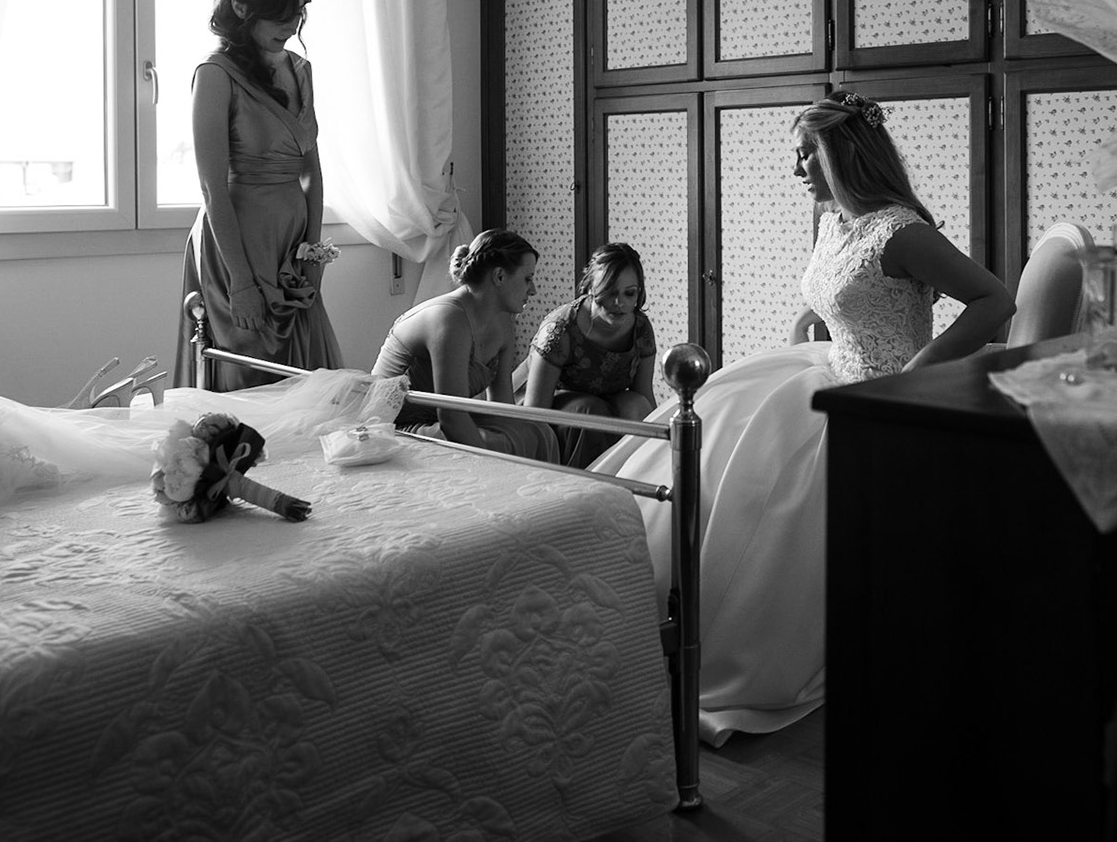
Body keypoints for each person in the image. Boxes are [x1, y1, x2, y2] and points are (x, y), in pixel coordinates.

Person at [588, 89, 1014, 744]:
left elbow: (993, 300)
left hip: (878, 393)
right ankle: (639, 612)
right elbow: (839, 294)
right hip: (825, 366)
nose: (796, 169)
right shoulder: (833, 218)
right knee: (707, 449)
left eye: (805, 153)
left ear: (842, 153)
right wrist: (806, 326)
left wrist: (920, 369)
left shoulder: (902, 231)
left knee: (760, 492)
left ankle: (730, 646)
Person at [176, 0, 342, 391]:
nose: (290, 27)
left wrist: (312, 254)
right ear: (241, 7)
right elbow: (212, 189)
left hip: (291, 248)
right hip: (237, 248)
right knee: (247, 378)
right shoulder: (215, 75)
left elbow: (312, 172)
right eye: (278, 16)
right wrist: (242, 283)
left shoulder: (301, 70)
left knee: (304, 379)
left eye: (297, 14)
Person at [372, 229, 561, 463]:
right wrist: (492, 462)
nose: (533, 290)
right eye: (527, 279)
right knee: (494, 443)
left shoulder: (503, 320)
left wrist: (523, 436)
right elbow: (451, 417)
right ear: (499, 276)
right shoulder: (449, 319)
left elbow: (501, 406)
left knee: (539, 432)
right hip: (395, 427)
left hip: (442, 419)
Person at [524, 242, 659, 468]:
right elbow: (535, 411)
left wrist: (661, 446)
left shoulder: (641, 329)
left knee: (636, 405)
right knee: (590, 410)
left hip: (609, 403)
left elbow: (645, 395)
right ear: (590, 287)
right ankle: (585, 480)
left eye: (629, 293)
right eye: (609, 292)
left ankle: (638, 477)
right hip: (562, 408)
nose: (619, 303)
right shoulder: (560, 329)